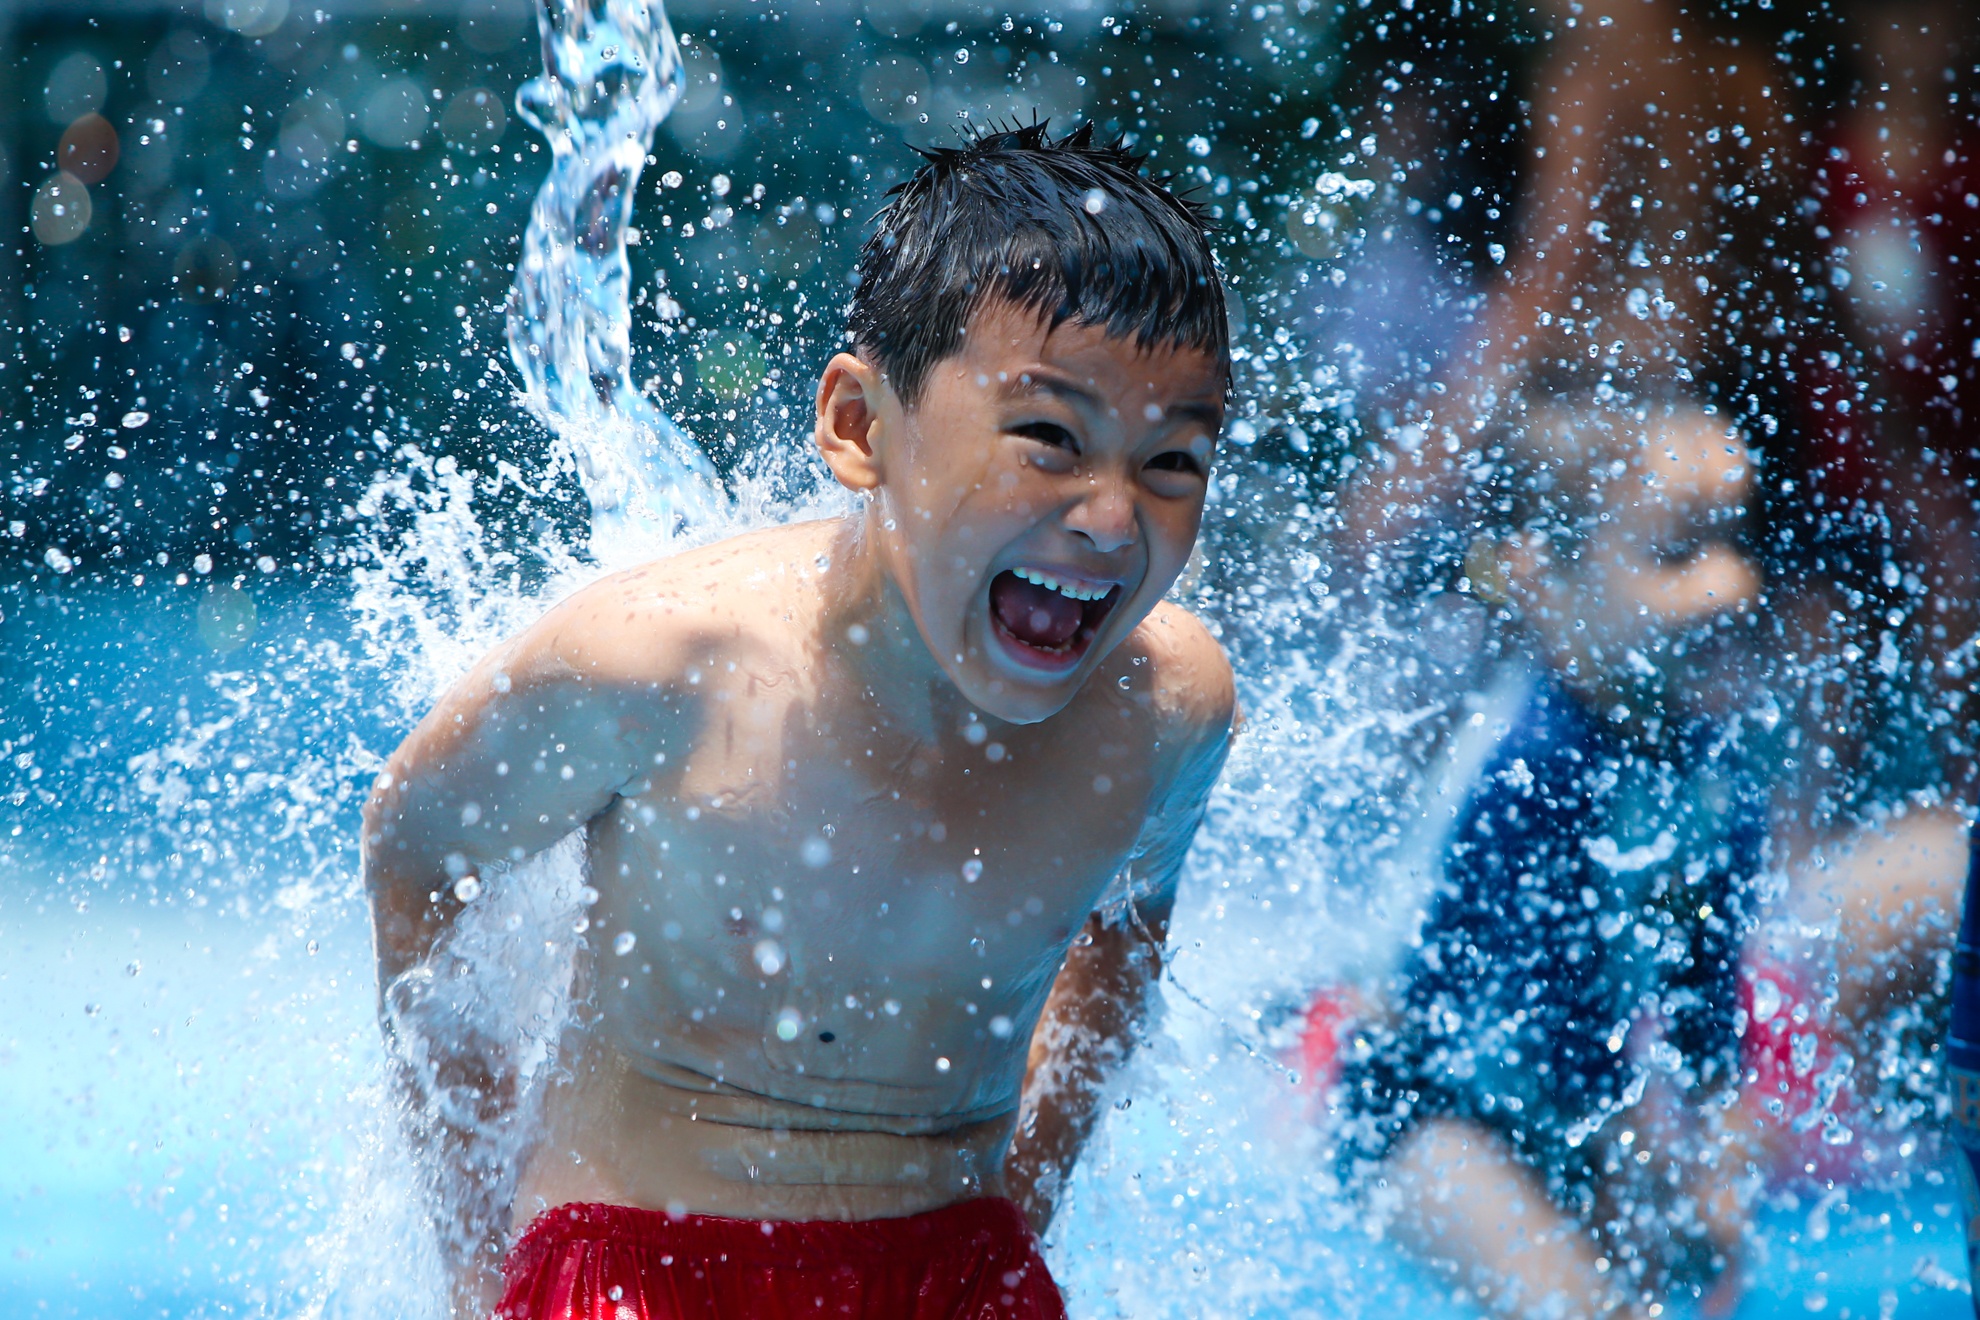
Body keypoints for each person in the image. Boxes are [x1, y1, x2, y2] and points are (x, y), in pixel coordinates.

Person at [360, 122, 1238, 1319]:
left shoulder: (1166, 710)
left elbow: (1127, 930)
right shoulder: (661, 669)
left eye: (1172, 464)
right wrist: (473, 1258)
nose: (1110, 519)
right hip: (635, 1267)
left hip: (958, 1272)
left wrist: (1026, 1200)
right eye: (1049, 439)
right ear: (861, 429)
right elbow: (416, 843)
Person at [1334, 392, 1768, 1319]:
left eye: (1738, 543)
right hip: (1427, 1117)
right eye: (1678, 552)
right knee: (1580, 1307)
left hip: (1561, 1107)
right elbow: (1545, 996)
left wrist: (1712, 1141)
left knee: (1707, 1242)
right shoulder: (1531, 767)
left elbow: (1708, 976)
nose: (1731, 586)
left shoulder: (1716, 758)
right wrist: (1631, 1160)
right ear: (1545, 584)